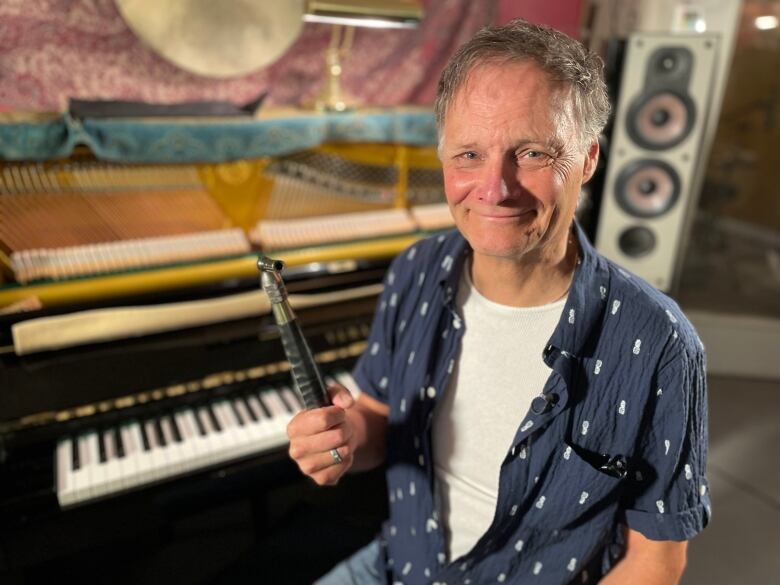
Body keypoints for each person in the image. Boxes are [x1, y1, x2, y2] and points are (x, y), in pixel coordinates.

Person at [287, 18, 710, 585]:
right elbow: (379, 421)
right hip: (400, 563)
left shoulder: (661, 343)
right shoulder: (417, 269)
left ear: (586, 159)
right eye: (467, 155)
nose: (494, 188)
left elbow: (655, 562)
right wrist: (346, 439)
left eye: (531, 153)